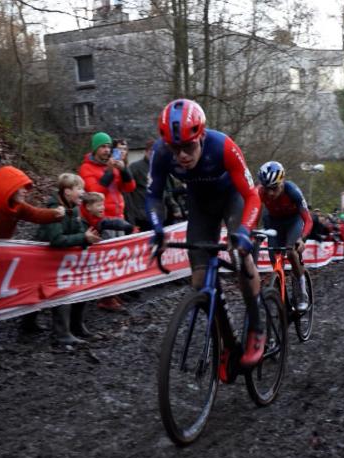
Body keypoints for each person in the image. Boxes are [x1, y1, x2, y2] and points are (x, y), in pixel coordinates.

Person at [145, 98, 265, 366]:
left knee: (240, 258)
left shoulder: (223, 146)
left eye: (187, 147)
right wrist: (157, 228)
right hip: (200, 205)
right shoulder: (161, 154)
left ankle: (257, 327)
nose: (181, 156)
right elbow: (153, 195)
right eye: (175, 149)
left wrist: (244, 231)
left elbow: (252, 196)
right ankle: (226, 341)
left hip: (233, 200)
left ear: (200, 137)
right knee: (200, 282)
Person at [0, 166, 65, 351]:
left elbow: (35, 214)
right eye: (21, 187)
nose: (25, 192)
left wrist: (55, 214)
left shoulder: (17, 207)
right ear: (9, 188)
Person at [35, 173, 102, 349]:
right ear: (67, 192)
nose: (83, 192)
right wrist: (83, 237)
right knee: (59, 293)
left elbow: (79, 230)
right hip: (43, 259)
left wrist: (87, 238)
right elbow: (56, 239)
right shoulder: (55, 209)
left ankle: (76, 326)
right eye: (79, 188)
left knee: (82, 286)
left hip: (63, 259)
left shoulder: (76, 208)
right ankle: (61, 334)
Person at [256, 161, 312, 311]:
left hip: (293, 221)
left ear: (282, 182)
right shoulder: (259, 192)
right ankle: (282, 298)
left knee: (291, 252)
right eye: (267, 189)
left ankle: (301, 289)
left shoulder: (292, 191)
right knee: (275, 260)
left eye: (274, 188)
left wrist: (302, 238)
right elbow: (254, 216)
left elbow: (308, 220)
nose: (270, 193)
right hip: (273, 222)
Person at [79, 192, 134, 313]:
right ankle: (106, 299)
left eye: (103, 204)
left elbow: (104, 222)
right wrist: (121, 225)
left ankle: (110, 295)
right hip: (80, 255)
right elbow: (102, 224)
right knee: (105, 268)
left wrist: (125, 226)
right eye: (99, 205)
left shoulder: (94, 216)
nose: (103, 207)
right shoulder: (82, 218)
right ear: (88, 207)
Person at [78, 131, 135, 236]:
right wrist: (109, 172)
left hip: (119, 217)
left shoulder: (112, 164)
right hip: (102, 221)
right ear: (95, 149)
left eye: (108, 147)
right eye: (103, 147)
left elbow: (130, 188)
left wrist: (124, 171)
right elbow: (94, 193)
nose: (107, 150)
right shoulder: (86, 168)